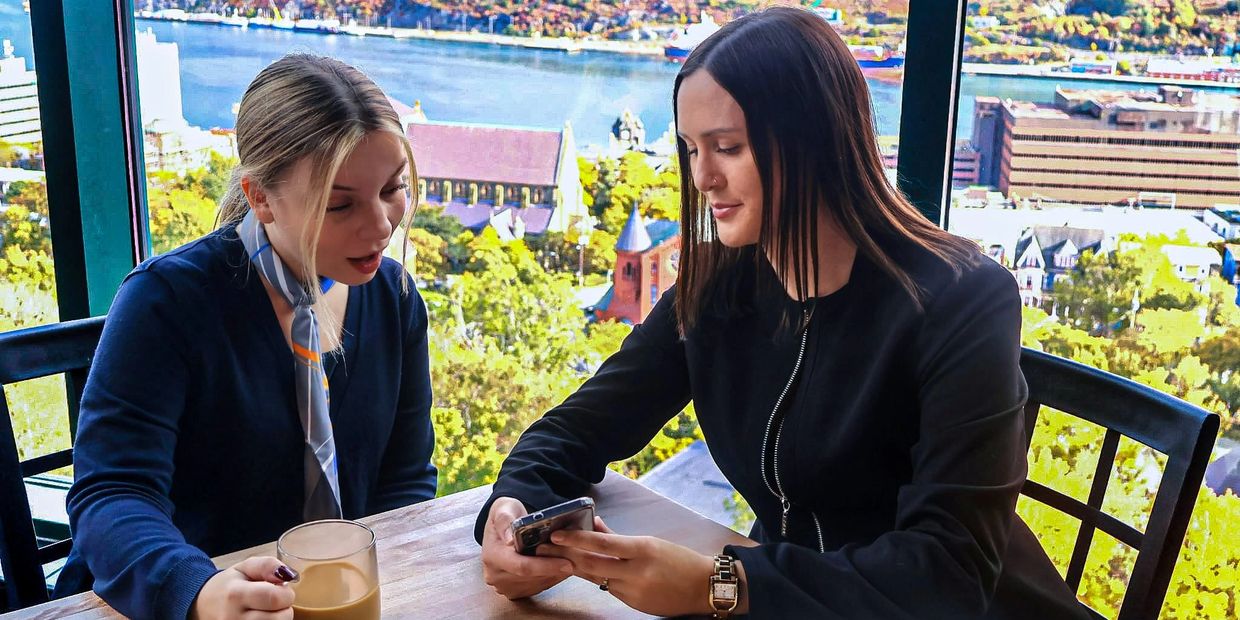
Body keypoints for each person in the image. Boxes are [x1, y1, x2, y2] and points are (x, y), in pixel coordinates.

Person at [476, 8, 1091, 619]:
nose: (703, 177)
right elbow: (571, 432)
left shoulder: (963, 299)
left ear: (813, 142)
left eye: (728, 148)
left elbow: (945, 576)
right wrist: (510, 512)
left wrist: (720, 585)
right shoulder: (716, 289)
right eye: (692, 149)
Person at [54, 54, 437, 620]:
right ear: (259, 197)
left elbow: (405, 479)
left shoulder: (394, 298)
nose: (382, 225)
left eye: (392, 189)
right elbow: (112, 494)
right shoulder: (166, 303)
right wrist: (198, 589)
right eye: (340, 204)